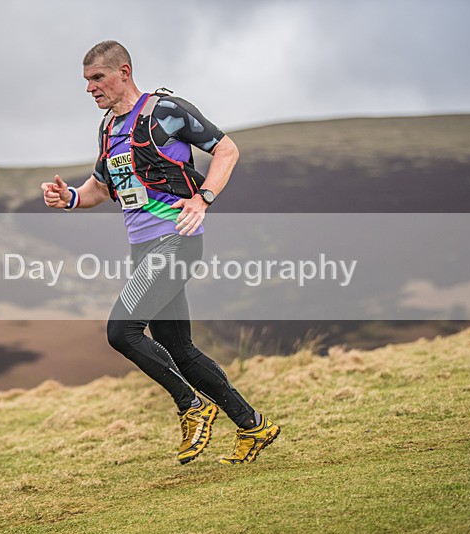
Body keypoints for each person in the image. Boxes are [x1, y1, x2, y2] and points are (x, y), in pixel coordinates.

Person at [41, 40, 279, 465]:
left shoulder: (164, 111)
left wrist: (202, 197)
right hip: (143, 250)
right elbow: (100, 187)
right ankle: (252, 425)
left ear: (124, 72)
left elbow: (227, 149)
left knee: (122, 331)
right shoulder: (108, 129)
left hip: (177, 241)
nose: (90, 88)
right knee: (179, 348)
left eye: (98, 78)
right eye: (86, 81)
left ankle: (192, 406)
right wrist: (70, 197)